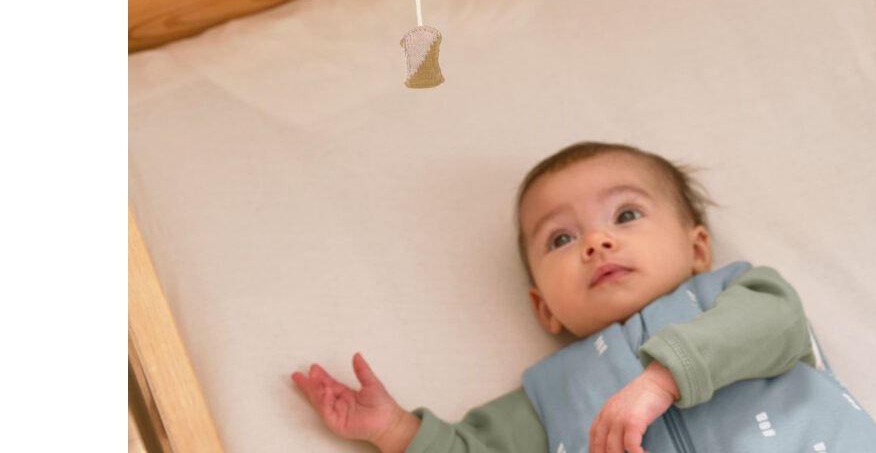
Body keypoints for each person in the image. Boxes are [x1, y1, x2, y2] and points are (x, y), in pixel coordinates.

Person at [291, 142, 824, 452]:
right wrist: (395, 430)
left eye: (626, 215)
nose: (596, 241)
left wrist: (663, 378)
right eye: (561, 239)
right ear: (545, 308)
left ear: (698, 248)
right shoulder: (550, 394)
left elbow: (779, 323)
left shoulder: (734, 295)